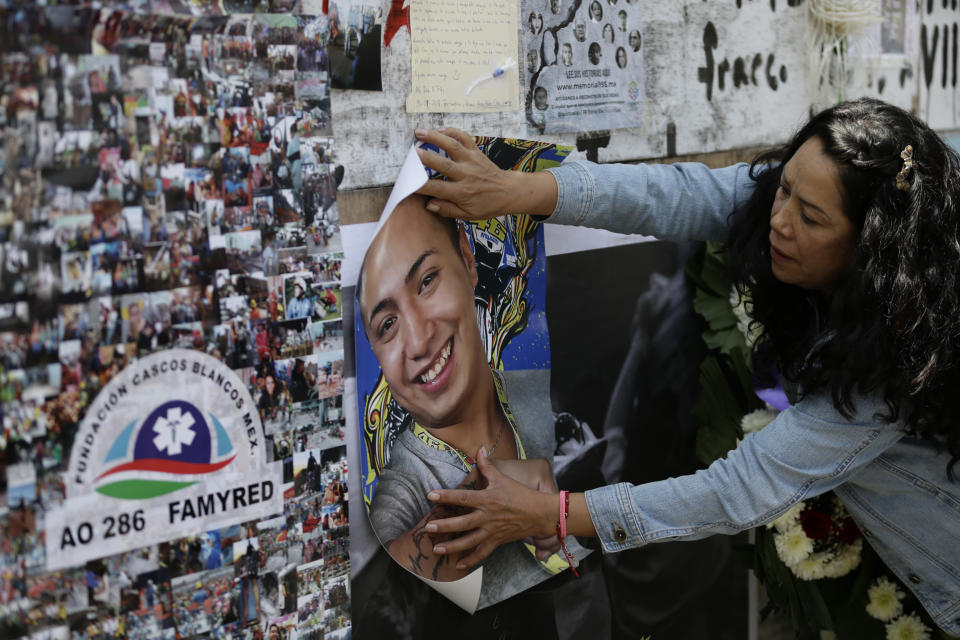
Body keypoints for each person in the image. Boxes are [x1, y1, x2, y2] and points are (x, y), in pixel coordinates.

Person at [411, 98, 960, 638]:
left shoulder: (895, 364)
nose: (778, 219)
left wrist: (551, 515)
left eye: (810, 218)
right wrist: (519, 189)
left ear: (872, 252)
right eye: (784, 188)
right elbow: (678, 195)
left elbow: (737, 491)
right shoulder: (797, 197)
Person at [357, 194, 588, 608]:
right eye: (387, 325)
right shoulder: (402, 491)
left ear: (467, 260)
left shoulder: (547, 391)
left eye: (426, 281)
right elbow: (385, 585)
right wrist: (501, 488)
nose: (419, 339)